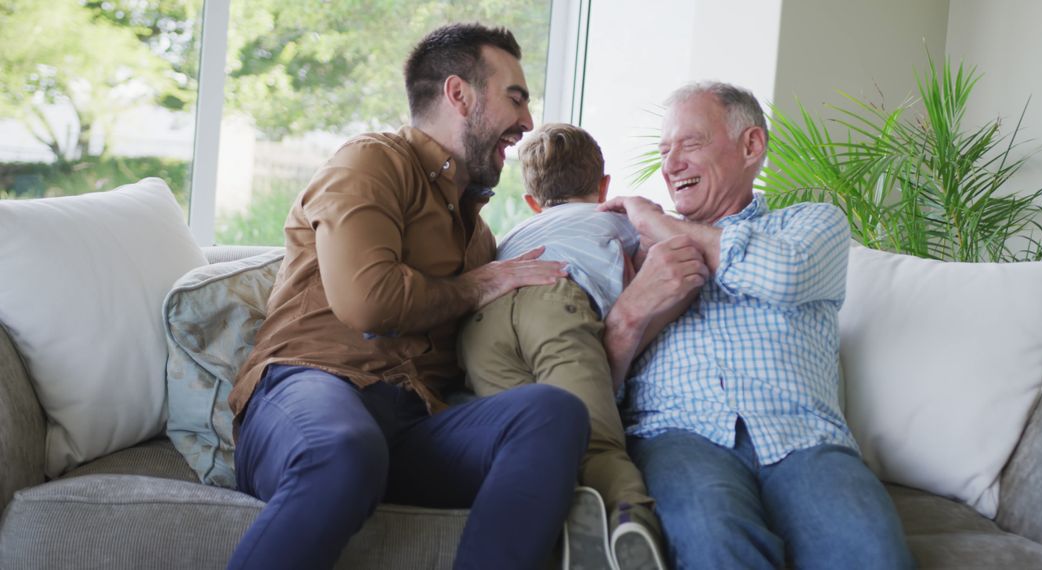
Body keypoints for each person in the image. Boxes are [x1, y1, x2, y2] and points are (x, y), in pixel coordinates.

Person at [226, 23, 592, 570]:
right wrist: (478, 285)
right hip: (309, 386)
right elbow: (368, 304)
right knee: (345, 451)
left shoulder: (477, 231)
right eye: (516, 98)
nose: (528, 123)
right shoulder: (371, 163)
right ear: (458, 94)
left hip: (410, 423)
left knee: (552, 412)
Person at [599, 81, 915, 569]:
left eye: (691, 143)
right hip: (680, 436)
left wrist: (662, 225)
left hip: (804, 436)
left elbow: (784, 275)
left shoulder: (811, 225)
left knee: (869, 553)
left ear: (751, 145)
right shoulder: (633, 255)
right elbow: (600, 392)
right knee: (713, 541)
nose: (670, 164)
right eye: (665, 150)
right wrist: (629, 316)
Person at [457, 122, 665, 570]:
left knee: (525, 448)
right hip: (555, 303)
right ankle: (632, 519)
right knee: (596, 440)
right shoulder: (614, 219)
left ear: (533, 203)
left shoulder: (512, 236)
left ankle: (567, 522)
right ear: (604, 186)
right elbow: (656, 262)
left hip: (481, 326)